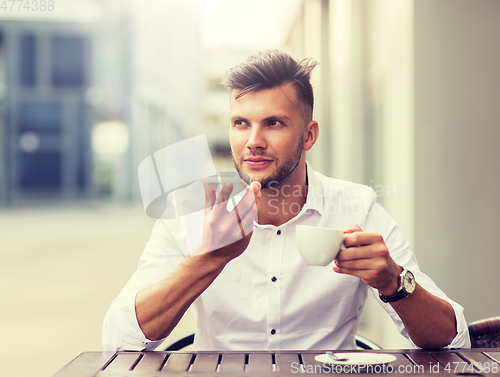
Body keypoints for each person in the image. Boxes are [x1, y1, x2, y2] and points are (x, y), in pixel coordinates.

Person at [103, 50, 469, 351]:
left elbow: (455, 341)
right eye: (241, 123)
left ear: (309, 135)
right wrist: (206, 261)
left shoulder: (357, 207)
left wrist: (393, 281)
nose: (253, 141)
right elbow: (119, 340)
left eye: (274, 123)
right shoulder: (193, 210)